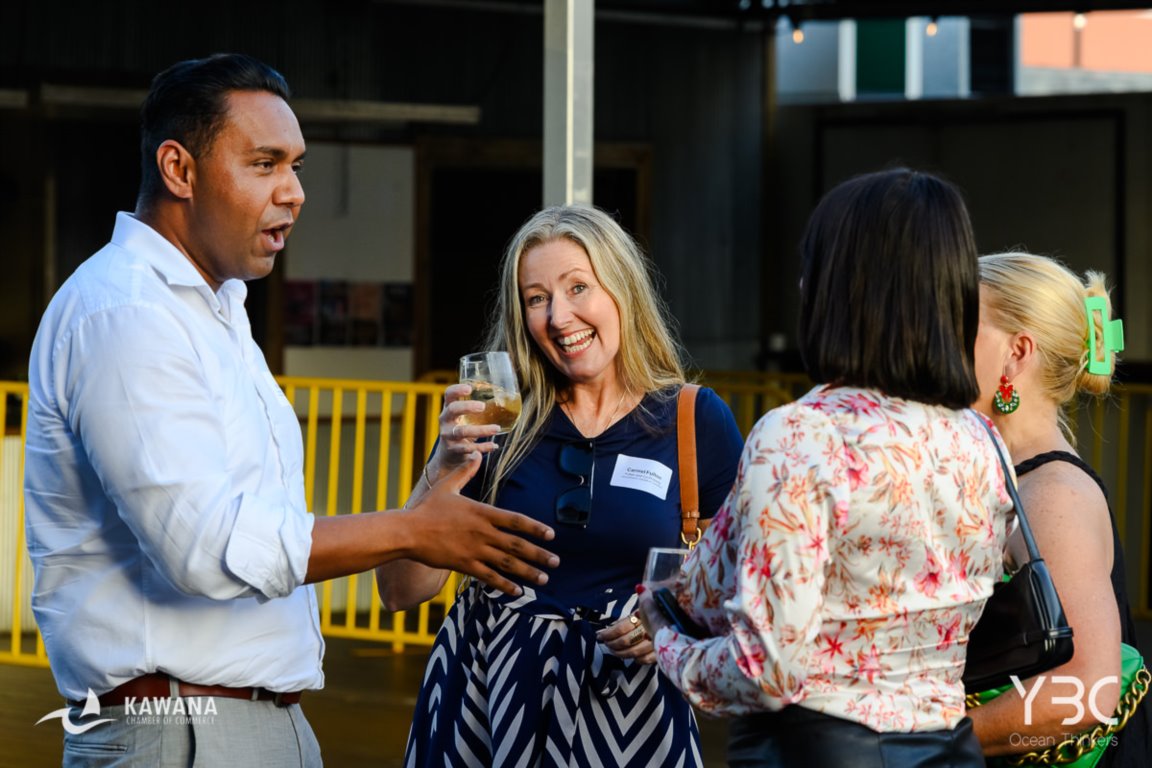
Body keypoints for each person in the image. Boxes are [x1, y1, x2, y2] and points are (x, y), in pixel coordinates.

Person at [22, 53, 558, 767]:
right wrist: (411, 530)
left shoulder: (216, 307)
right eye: (265, 163)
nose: (295, 192)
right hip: (182, 730)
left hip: (238, 722)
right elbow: (205, 548)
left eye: (296, 165)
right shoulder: (127, 312)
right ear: (179, 170)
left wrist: (436, 486)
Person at [639, 167, 1015, 766]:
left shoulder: (801, 436)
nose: (800, 282)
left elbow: (766, 668)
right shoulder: (982, 440)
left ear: (842, 290)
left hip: (820, 748)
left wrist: (667, 644)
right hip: (948, 748)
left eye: (811, 265)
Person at [376, 204, 745, 766]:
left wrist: (673, 618)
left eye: (578, 288)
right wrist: (444, 467)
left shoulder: (694, 421)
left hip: (632, 713)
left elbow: (739, 578)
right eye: (536, 298)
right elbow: (401, 592)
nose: (559, 317)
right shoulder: (494, 418)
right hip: (488, 699)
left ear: (622, 290)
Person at [967, 251, 1151, 766]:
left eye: (959, 326)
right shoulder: (1016, 477)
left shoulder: (1053, 495)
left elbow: (1087, 690)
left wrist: (927, 741)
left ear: (1016, 353)